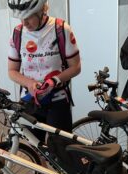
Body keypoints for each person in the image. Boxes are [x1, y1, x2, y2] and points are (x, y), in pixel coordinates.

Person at [7, 0, 81, 139]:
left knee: (60, 149)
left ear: (42, 10)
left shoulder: (61, 29)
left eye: (28, 17)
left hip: (57, 100)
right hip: (30, 101)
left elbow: (76, 67)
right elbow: (12, 70)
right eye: (21, 18)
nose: (24, 23)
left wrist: (54, 80)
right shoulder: (17, 33)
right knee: (36, 149)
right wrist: (29, 83)